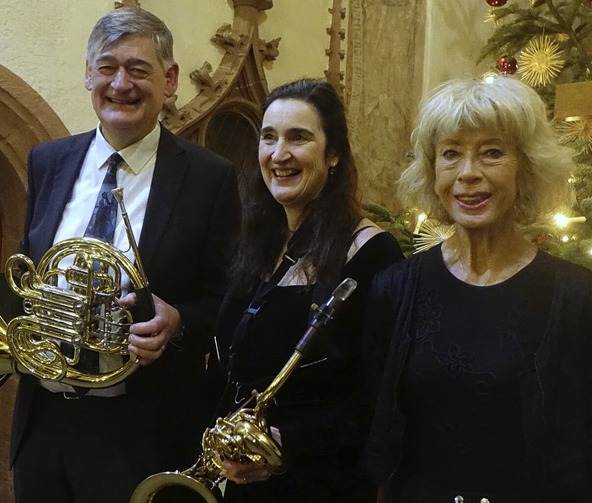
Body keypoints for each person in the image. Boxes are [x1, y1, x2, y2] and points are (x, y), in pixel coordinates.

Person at [11, 7, 239, 503]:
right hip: (43, 423)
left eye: (138, 69)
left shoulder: (209, 178)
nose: (121, 84)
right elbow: (30, 274)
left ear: (170, 79)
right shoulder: (48, 161)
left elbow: (226, 303)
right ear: (88, 73)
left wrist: (179, 322)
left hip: (139, 431)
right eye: (108, 67)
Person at [363, 76, 592, 503]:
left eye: (492, 152)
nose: (468, 173)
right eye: (451, 154)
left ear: (526, 167)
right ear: (432, 171)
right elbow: (377, 430)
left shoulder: (581, 300)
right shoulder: (394, 289)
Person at [207, 78, 404, 503]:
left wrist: (286, 442)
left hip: (320, 485)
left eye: (299, 138)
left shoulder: (373, 254)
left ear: (333, 154)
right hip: (243, 480)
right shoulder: (259, 242)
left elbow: (381, 397)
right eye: (269, 137)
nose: (279, 155)